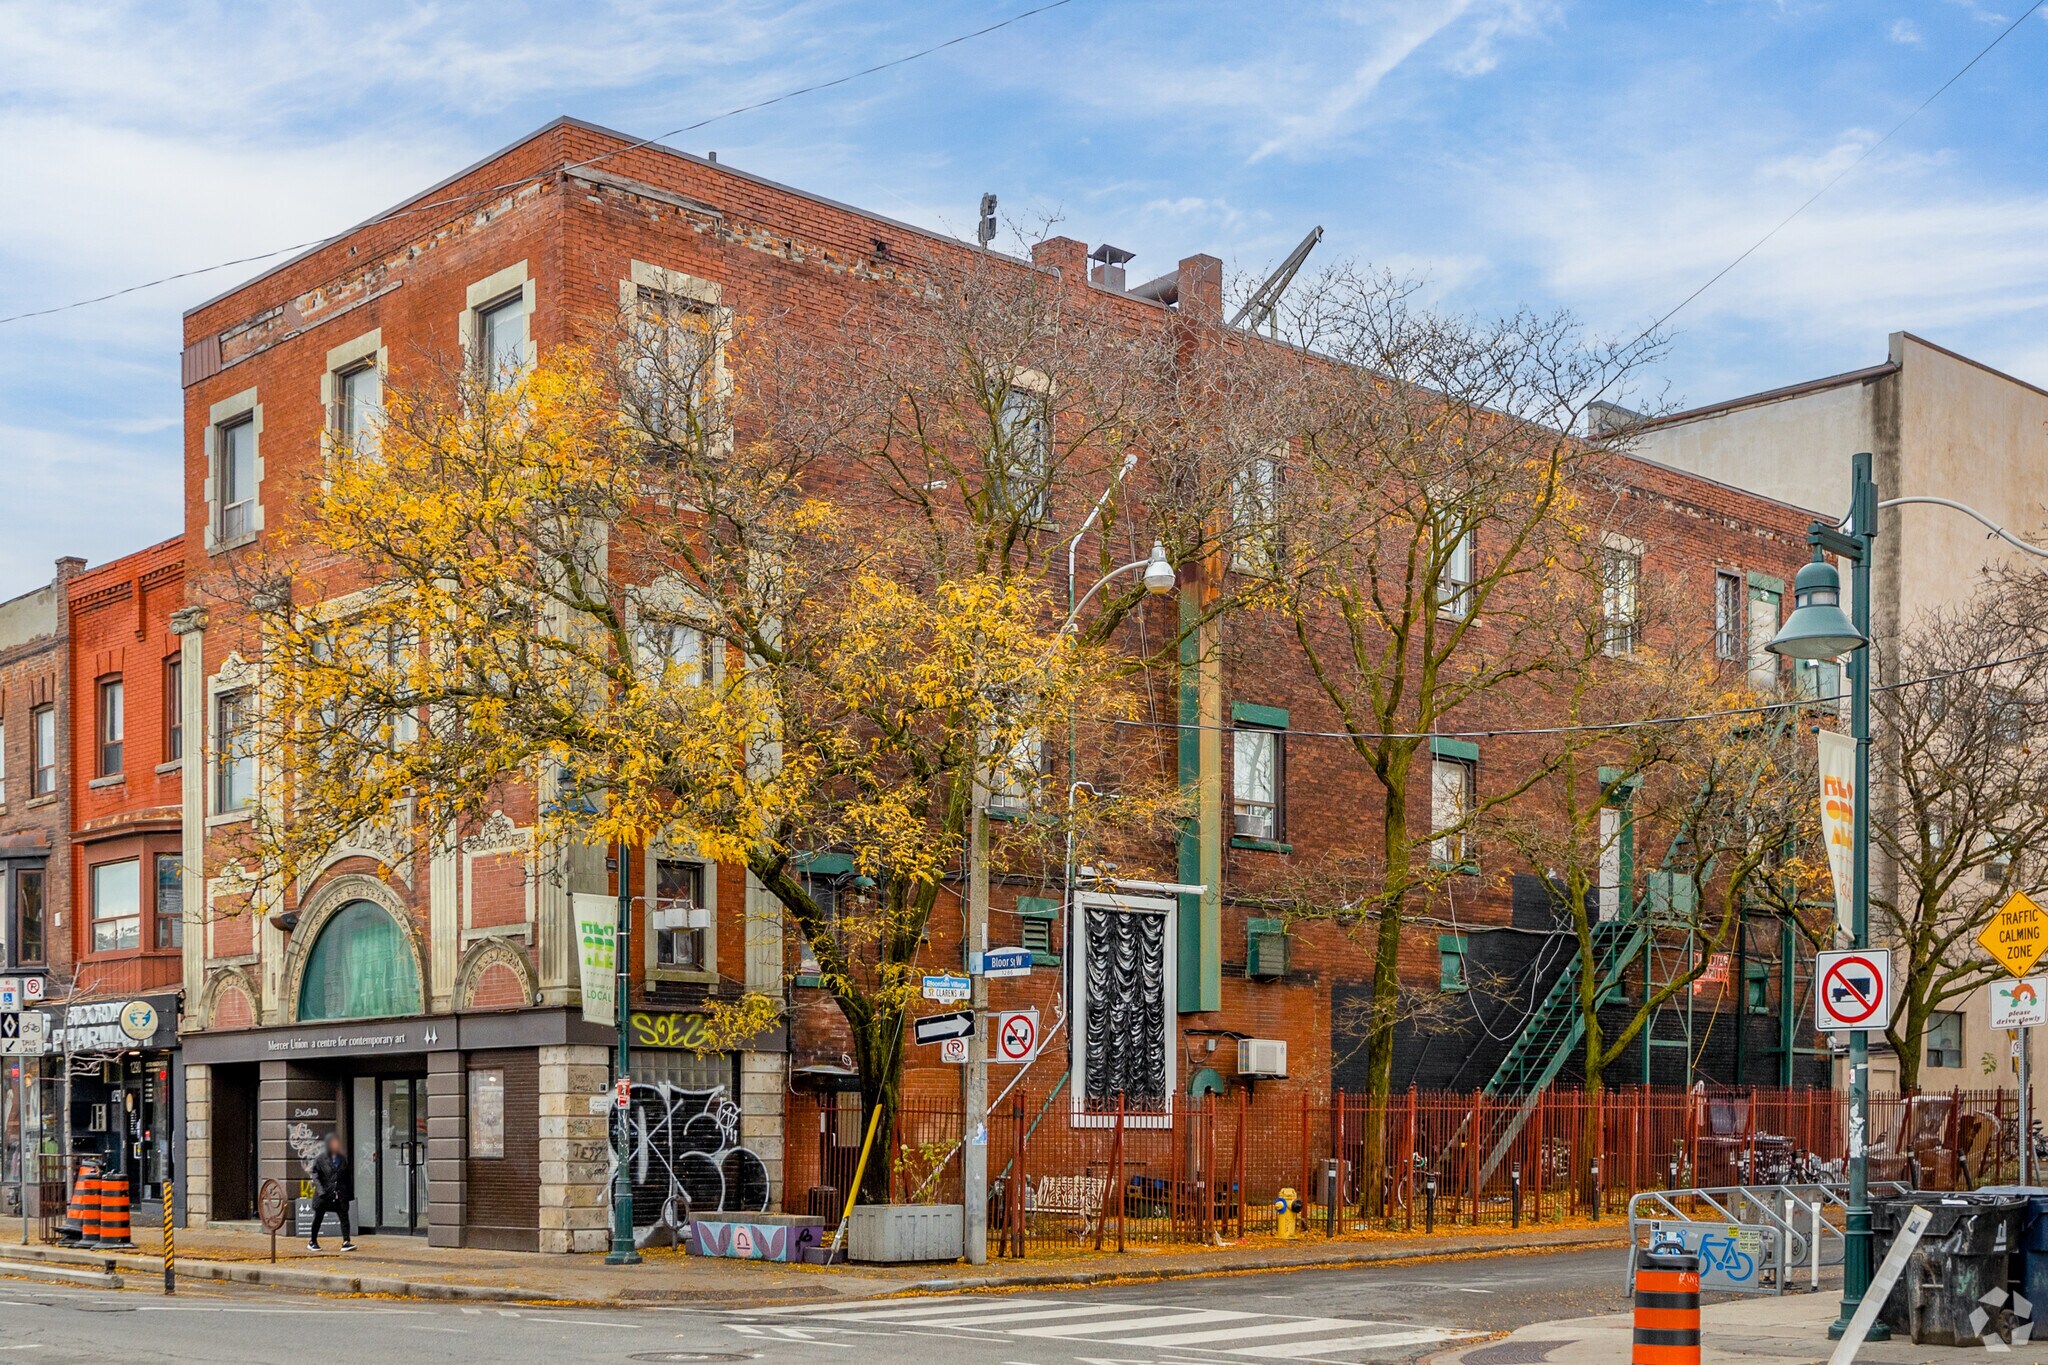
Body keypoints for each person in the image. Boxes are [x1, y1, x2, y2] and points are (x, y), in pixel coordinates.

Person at [307, 1133, 357, 1252]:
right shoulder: (321, 1159)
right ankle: (312, 1241)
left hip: (339, 1193)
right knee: (318, 1217)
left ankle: (346, 1241)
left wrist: (349, 1194)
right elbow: (315, 1175)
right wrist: (320, 1190)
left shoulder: (342, 1159)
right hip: (324, 1194)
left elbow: (347, 1177)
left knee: (344, 1216)